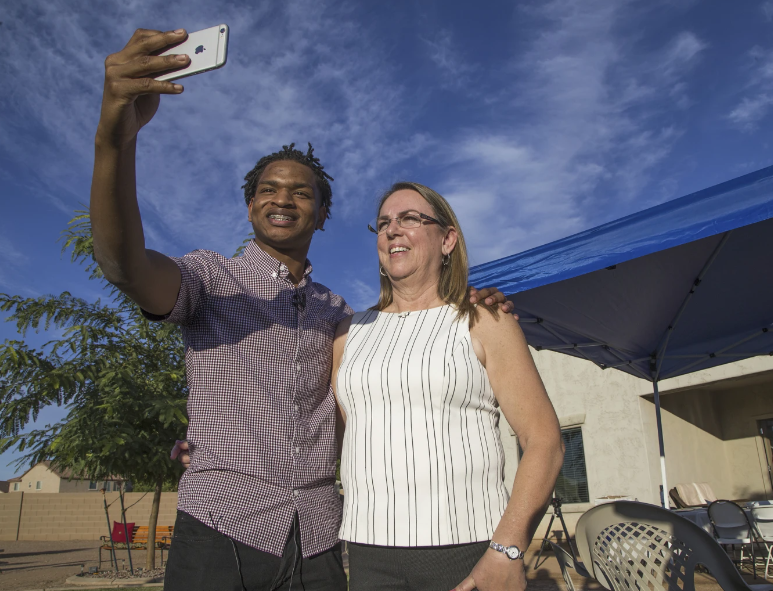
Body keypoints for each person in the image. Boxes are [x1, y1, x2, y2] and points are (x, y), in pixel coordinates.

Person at [91, 28, 512, 591]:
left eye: (302, 192)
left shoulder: (338, 314)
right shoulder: (209, 280)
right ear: (249, 208)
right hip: (222, 524)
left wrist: (475, 299)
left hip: (318, 536)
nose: (283, 198)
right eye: (268, 189)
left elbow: (381, 378)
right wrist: (114, 139)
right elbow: (125, 265)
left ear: (320, 216)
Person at [331, 182, 565, 591]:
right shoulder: (348, 334)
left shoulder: (486, 320)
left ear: (448, 239)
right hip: (367, 555)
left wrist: (508, 549)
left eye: (410, 219)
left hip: (467, 553)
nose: (392, 230)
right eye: (384, 223)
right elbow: (340, 435)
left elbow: (544, 440)